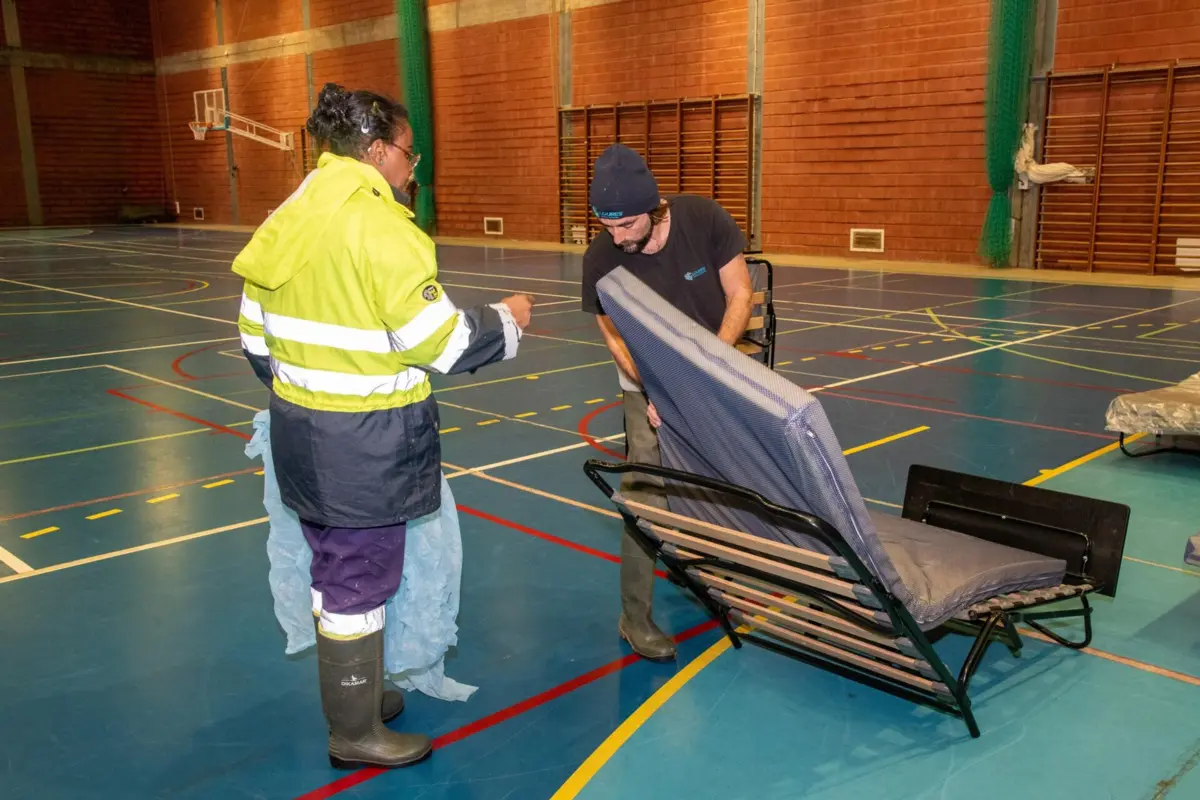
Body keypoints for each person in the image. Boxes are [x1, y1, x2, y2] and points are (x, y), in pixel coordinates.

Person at [232, 82, 535, 771]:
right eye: (408, 153)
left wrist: (309, 389)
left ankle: (361, 701)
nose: (413, 167)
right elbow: (444, 343)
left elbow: (254, 339)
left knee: (334, 570)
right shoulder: (382, 227)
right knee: (358, 582)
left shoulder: (289, 212)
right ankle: (354, 732)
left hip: (299, 435)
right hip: (363, 445)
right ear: (375, 152)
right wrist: (509, 320)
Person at [580, 143, 754, 661]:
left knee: (720, 491)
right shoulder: (601, 256)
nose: (618, 237)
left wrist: (708, 372)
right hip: (648, 386)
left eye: (627, 225)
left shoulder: (704, 219)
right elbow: (614, 338)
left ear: (656, 210)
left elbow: (740, 294)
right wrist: (659, 391)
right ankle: (634, 619)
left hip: (712, 374)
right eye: (608, 226)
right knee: (645, 499)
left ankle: (719, 585)